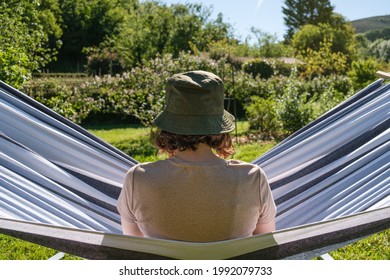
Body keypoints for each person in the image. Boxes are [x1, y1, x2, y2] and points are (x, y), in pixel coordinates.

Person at [116, 70, 276, 242]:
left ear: (168, 125)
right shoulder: (252, 178)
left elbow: (133, 244)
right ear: (220, 126)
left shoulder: (138, 179)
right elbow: (264, 244)